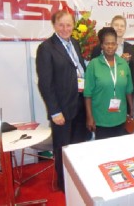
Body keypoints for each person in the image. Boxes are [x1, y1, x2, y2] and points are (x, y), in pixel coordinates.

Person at [36, 10, 91, 191]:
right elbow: (45, 83)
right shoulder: (46, 48)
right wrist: (54, 111)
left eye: (69, 24)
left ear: (73, 26)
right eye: (61, 25)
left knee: (77, 146)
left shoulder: (74, 43)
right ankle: (64, 185)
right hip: (62, 109)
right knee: (62, 149)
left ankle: (77, 180)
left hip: (80, 104)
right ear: (54, 25)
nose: (65, 28)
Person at [84, 27, 133, 139]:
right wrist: (89, 117)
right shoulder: (93, 65)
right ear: (102, 45)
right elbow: (87, 94)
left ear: (116, 45)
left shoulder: (123, 64)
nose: (110, 47)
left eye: (113, 43)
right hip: (101, 119)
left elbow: (129, 90)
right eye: (107, 44)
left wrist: (132, 109)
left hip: (120, 117)